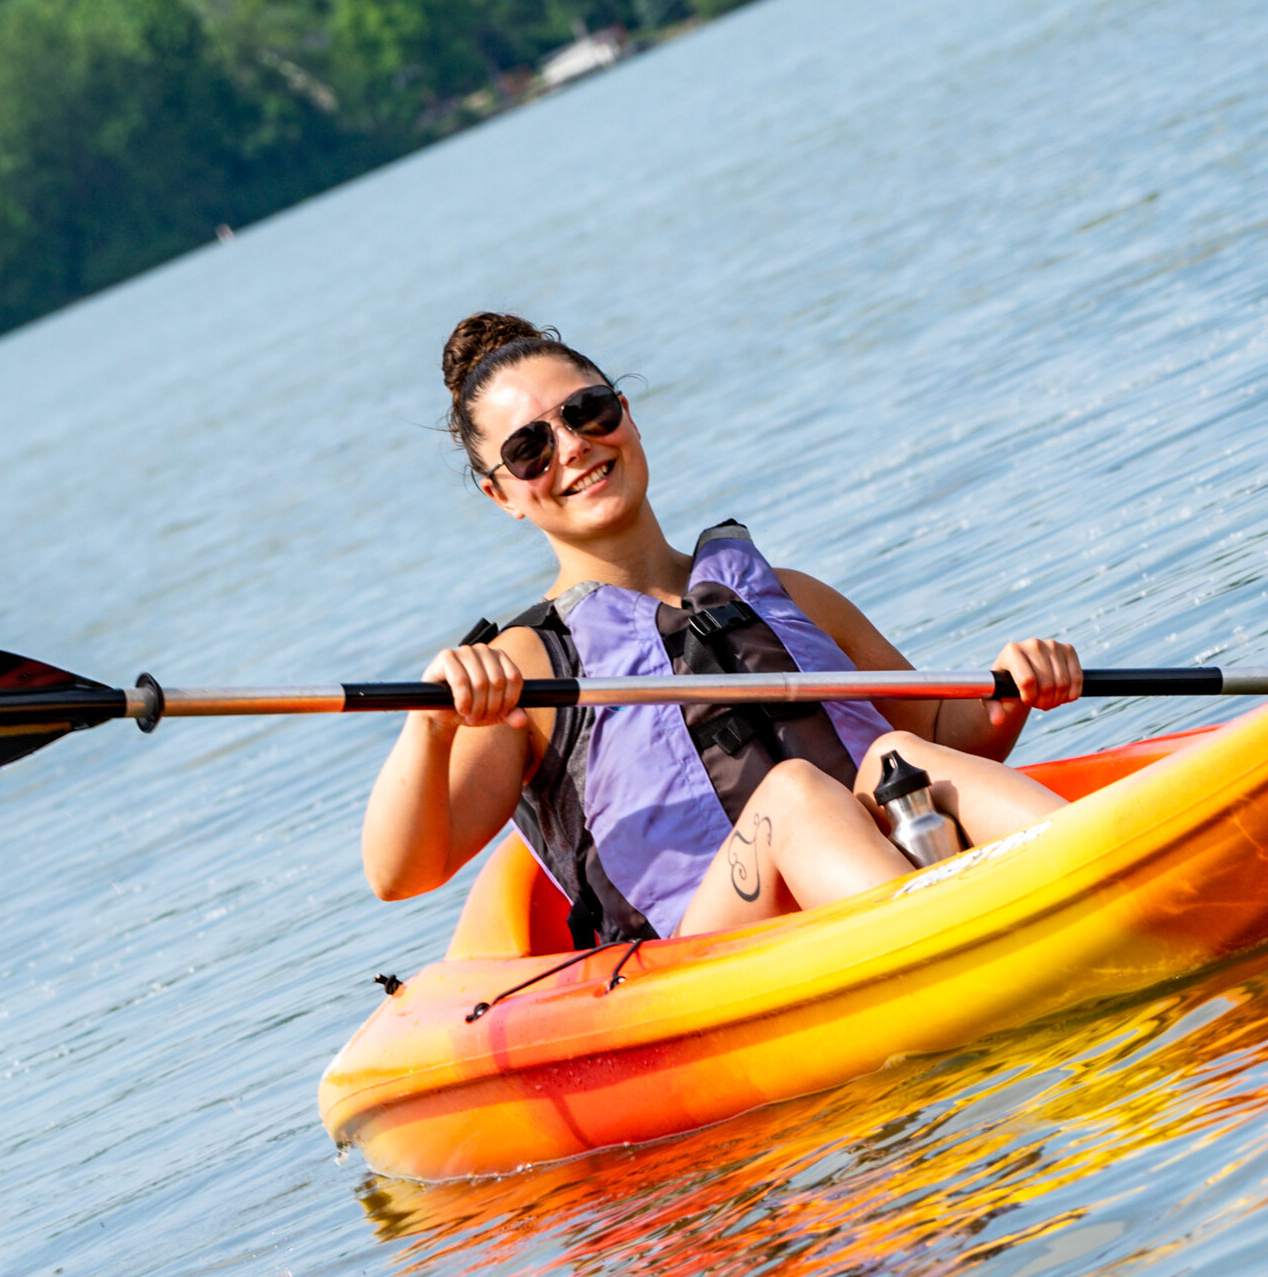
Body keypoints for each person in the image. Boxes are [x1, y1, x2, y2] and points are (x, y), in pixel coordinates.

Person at [360, 312, 1085, 945]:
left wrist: (1009, 692)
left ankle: (1097, 868)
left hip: (876, 858)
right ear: (501, 493)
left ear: (627, 415)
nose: (573, 446)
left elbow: (940, 732)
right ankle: (953, 944)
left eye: (587, 411)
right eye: (529, 449)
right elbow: (402, 872)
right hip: (707, 952)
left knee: (896, 750)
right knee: (794, 794)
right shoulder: (527, 668)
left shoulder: (785, 592)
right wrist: (430, 729)